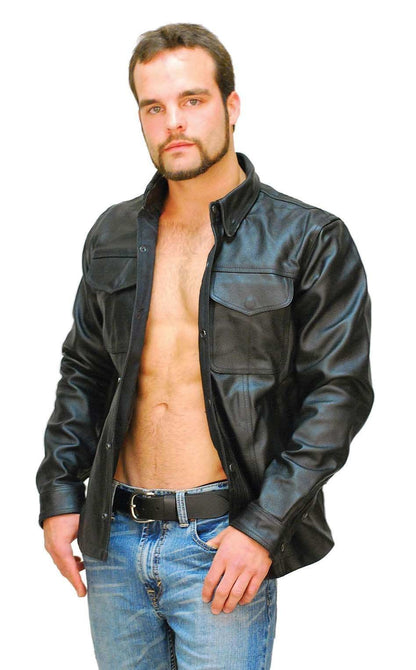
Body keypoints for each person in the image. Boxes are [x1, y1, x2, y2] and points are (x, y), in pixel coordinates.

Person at [36, 23, 374, 670]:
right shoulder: (113, 233)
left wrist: (263, 529)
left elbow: (339, 395)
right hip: (114, 539)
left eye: (192, 100)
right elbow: (84, 370)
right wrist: (59, 496)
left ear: (231, 105)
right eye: (153, 107)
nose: (174, 123)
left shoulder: (308, 238)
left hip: (223, 540)